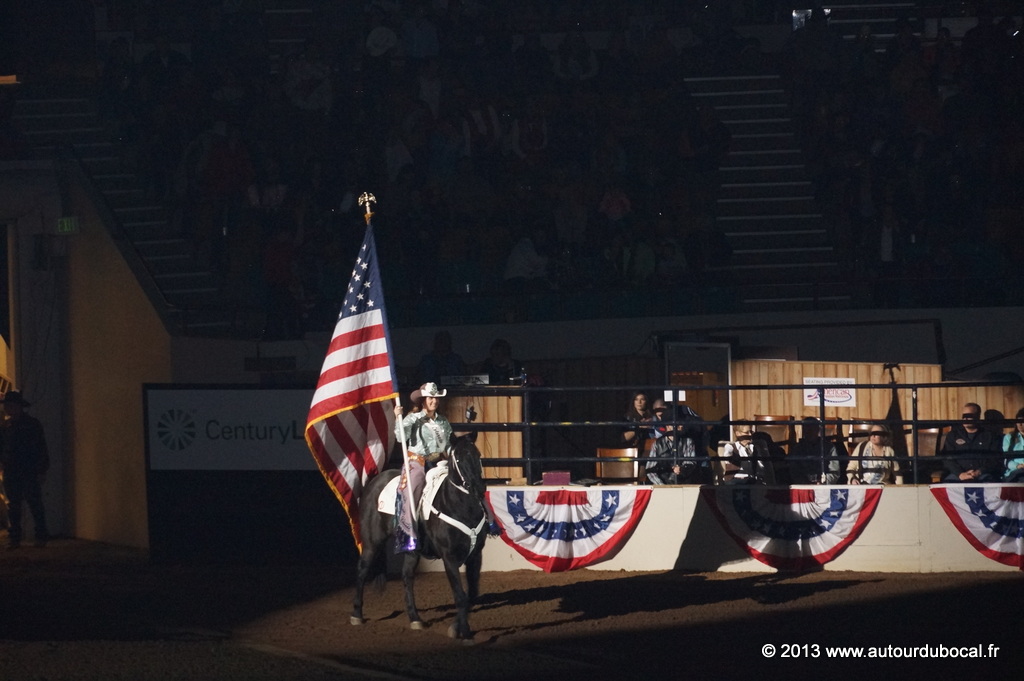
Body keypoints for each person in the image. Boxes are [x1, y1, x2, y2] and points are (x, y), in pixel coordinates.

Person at [393, 382, 453, 552]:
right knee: (410, 490)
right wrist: (398, 418)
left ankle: (488, 522)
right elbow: (400, 438)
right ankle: (407, 534)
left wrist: (455, 455)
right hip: (417, 462)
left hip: (439, 462)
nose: (434, 401)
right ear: (423, 400)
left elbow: (448, 444)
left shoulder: (443, 421)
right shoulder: (413, 418)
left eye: (436, 398)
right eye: (430, 398)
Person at [1, 391, 49, 549]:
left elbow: (40, 448)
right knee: (14, 505)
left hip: (28, 469)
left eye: (10, 406)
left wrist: (41, 469)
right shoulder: (6, 426)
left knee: (33, 503)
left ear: (18, 407)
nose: (8, 409)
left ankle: (39, 536)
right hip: (12, 470)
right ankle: (16, 537)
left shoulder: (31, 424)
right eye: (7, 406)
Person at [941, 402, 1003, 483]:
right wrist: (960, 474)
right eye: (964, 416)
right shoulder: (953, 435)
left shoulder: (990, 436)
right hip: (957, 475)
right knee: (947, 484)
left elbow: (994, 459)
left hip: (983, 475)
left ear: (977, 417)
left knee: (990, 482)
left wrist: (979, 472)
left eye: (969, 416)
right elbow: (947, 458)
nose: (965, 419)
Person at [646, 405, 703, 484]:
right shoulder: (657, 444)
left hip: (683, 484)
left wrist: (682, 469)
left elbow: (690, 462)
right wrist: (661, 486)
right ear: (668, 426)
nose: (681, 426)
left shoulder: (688, 441)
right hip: (663, 484)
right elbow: (650, 470)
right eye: (677, 424)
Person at [788, 417, 841, 484]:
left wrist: (823, 481)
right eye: (807, 428)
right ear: (803, 430)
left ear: (818, 429)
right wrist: (804, 482)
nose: (809, 431)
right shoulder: (797, 449)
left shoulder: (829, 447)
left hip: (823, 486)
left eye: (812, 428)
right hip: (803, 486)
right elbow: (794, 471)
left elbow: (834, 471)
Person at [1001, 407, 1024, 483]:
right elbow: (1006, 460)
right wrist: (1018, 466)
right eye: (1018, 421)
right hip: (1015, 472)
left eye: (1022, 421)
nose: (1020, 424)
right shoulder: (1009, 438)